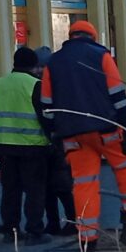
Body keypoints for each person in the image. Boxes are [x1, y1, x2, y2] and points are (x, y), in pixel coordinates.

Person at [40, 21, 126, 252]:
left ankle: (87, 238)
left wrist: (53, 132)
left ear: (71, 36)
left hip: (72, 134)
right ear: (92, 37)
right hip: (105, 128)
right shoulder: (101, 56)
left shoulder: (52, 63)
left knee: (84, 182)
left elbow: (46, 103)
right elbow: (117, 92)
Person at [0, 47, 51, 246]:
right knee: (35, 191)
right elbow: (46, 117)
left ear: (14, 63)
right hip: (32, 146)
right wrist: (54, 140)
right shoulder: (36, 85)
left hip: (5, 146)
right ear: (34, 64)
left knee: (10, 191)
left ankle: (11, 230)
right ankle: (35, 231)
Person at [34, 45, 76, 236]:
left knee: (61, 186)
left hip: (56, 143)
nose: (40, 70)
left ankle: (70, 221)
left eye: (43, 66)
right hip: (48, 143)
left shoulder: (53, 85)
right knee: (53, 188)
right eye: (38, 66)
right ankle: (58, 223)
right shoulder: (52, 84)